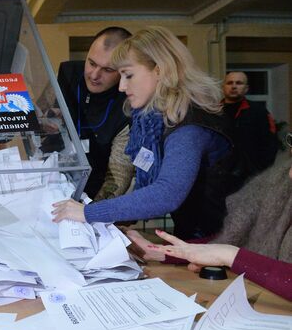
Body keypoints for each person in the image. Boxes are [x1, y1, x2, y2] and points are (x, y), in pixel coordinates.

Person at [52, 26, 238, 240]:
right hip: (198, 235)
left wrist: (87, 213)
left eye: (128, 75)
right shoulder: (153, 120)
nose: (121, 87)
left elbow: (166, 194)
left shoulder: (189, 126)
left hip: (226, 240)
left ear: (159, 70)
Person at [124, 132, 292, 301]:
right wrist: (160, 252)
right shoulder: (279, 181)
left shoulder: (191, 132)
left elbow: (229, 250)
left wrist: (228, 255)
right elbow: (234, 240)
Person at [57, 27, 134, 201]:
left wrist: (90, 212)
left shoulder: (129, 105)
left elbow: (118, 176)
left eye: (107, 70)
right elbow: (43, 118)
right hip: (53, 181)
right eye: (91, 63)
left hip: (92, 195)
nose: (94, 75)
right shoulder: (67, 75)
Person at [222, 71, 278, 179]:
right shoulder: (213, 112)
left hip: (251, 176)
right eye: (229, 83)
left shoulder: (259, 111)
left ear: (246, 88)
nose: (234, 86)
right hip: (219, 177)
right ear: (223, 87)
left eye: (239, 83)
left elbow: (270, 143)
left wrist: (260, 170)